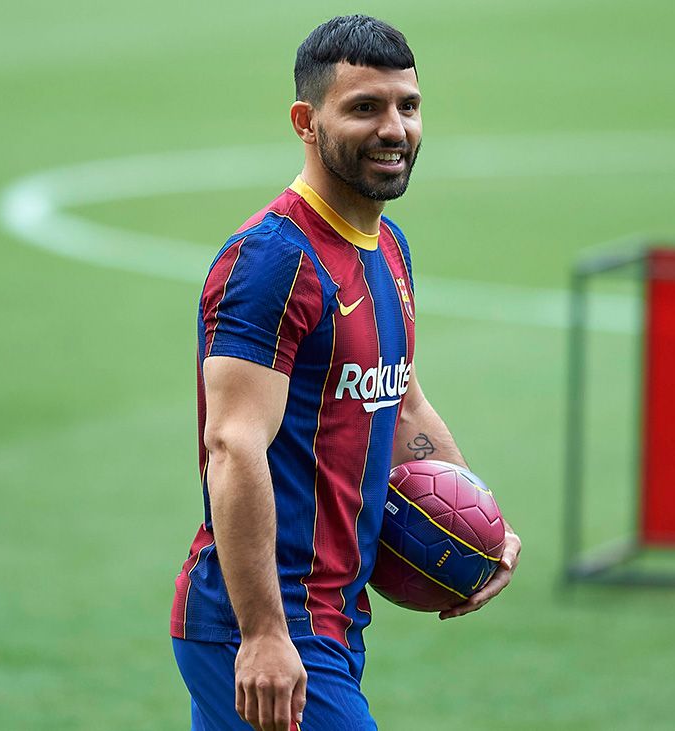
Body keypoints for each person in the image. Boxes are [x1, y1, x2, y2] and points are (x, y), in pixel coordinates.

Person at [169, 15, 521, 731]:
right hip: (265, 619)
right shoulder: (273, 261)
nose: (395, 128)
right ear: (306, 120)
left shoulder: (387, 247)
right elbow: (233, 445)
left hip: (331, 618)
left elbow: (406, 405)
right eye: (365, 107)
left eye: (408, 106)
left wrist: (479, 520)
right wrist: (265, 630)